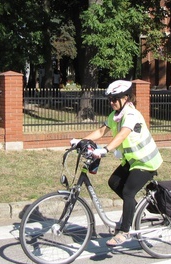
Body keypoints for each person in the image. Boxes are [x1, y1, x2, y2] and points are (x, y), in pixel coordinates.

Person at [70, 80, 163, 246]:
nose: (111, 102)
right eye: (110, 99)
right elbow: (100, 131)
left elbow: (122, 135)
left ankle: (125, 232)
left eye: (114, 99)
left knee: (128, 192)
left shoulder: (131, 115)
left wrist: (105, 150)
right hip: (133, 161)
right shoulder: (115, 116)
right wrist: (80, 141)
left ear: (126, 98)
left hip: (146, 162)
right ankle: (133, 210)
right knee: (113, 182)